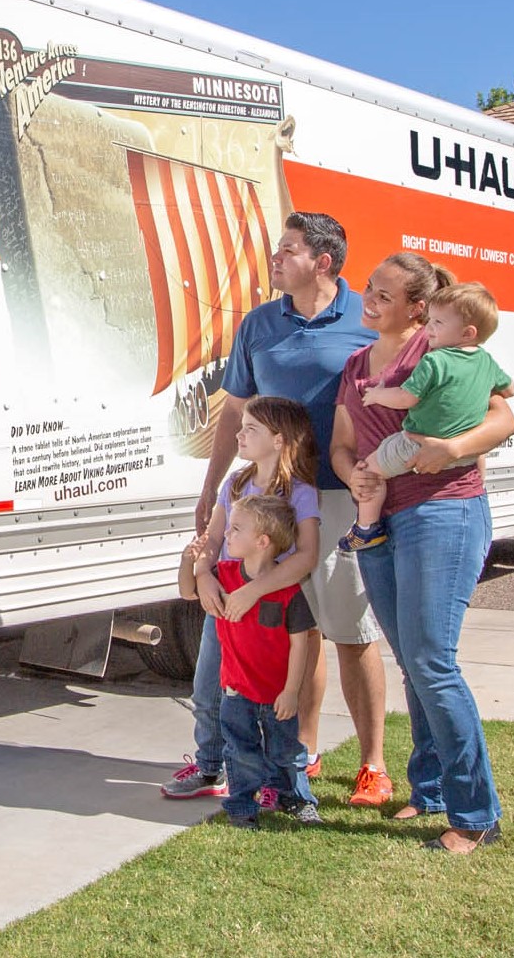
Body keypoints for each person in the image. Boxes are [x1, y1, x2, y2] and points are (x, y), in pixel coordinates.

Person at [193, 211, 392, 809]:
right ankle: (302, 749)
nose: (275, 259)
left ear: (322, 262)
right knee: (295, 627)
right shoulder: (259, 324)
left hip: (340, 495)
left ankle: (373, 764)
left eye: (288, 250)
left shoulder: (364, 320)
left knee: (350, 628)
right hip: (272, 501)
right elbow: (235, 411)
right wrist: (212, 487)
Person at [332, 252, 514, 853]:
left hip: (443, 510)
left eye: (384, 295)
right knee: (413, 662)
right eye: (368, 288)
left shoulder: (440, 349)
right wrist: (354, 476)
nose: (368, 299)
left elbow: (503, 417)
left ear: (418, 308)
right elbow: (341, 443)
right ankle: (431, 789)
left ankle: (476, 815)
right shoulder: (357, 365)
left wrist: (452, 448)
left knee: (432, 661)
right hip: (378, 519)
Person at [163, 396, 321, 802]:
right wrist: (204, 576)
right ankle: (209, 766)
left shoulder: (300, 492)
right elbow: (212, 539)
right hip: (225, 606)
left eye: (251, 428)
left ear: (280, 440)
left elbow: (307, 555)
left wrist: (253, 591)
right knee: (208, 690)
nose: (239, 434)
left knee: (267, 698)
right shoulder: (235, 483)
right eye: (241, 426)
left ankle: (276, 780)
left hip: (269, 611)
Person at [178, 492, 320, 830]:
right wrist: (188, 562)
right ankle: (242, 806)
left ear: (262, 542)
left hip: (277, 695)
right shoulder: (222, 576)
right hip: (236, 692)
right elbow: (187, 591)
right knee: (240, 752)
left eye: (236, 529)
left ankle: (295, 798)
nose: (226, 534)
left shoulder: (288, 590)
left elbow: (300, 645)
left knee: (286, 751)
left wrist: (291, 691)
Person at [339, 281, 514, 552]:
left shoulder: (435, 360)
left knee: (369, 471)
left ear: (467, 332)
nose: (429, 328)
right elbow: (510, 389)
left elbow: (406, 398)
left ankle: (367, 527)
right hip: (464, 459)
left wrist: (377, 395)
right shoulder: (487, 361)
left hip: (416, 444)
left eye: (437, 323)